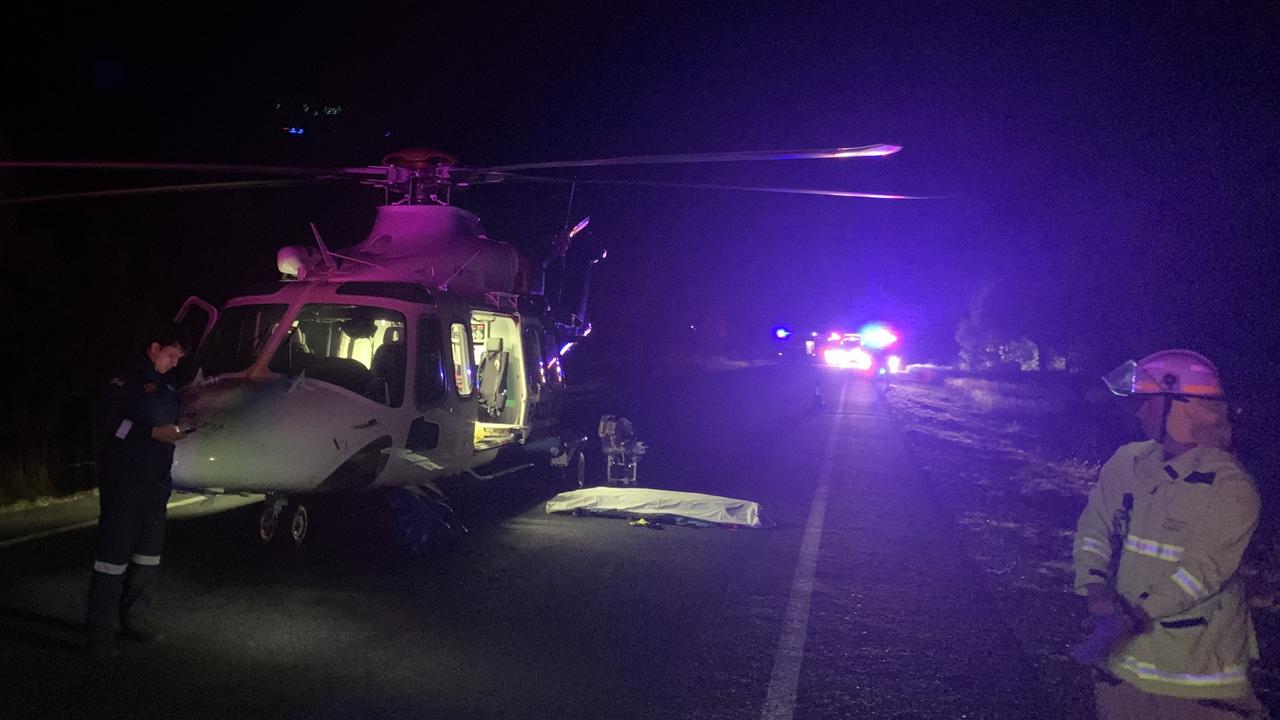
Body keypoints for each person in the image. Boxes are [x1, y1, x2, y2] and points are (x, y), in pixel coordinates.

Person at [1072, 349, 1266, 719]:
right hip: (1123, 668)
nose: (1140, 411)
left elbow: (1203, 572)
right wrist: (1094, 588)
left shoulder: (1230, 487)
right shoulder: (1128, 462)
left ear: (1183, 407)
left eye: (1149, 402)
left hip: (1199, 680)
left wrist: (1133, 615)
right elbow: (1094, 527)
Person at [86, 323, 190, 658]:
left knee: (147, 558)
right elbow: (107, 423)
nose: (175, 363)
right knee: (111, 561)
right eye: (172, 355)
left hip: (155, 486)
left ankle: (135, 622)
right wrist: (150, 434)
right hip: (124, 484)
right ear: (155, 348)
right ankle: (99, 634)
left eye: (178, 358)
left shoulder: (169, 386)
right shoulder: (125, 380)